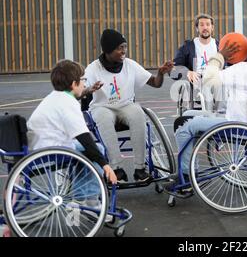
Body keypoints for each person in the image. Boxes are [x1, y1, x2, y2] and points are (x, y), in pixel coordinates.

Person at [171, 30, 247, 184]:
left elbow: (208, 80)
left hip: (235, 125)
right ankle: (191, 168)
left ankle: (187, 176)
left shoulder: (241, 69)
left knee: (183, 125)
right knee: (189, 113)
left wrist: (220, 55)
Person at [84, 28, 173, 183]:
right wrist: (89, 89)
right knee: (103, 118)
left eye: (125, 46)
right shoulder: (93, 68)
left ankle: (140, 168)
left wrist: (160, 73)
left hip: (126, 105)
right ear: (108, 50)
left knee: (138, 113)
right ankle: (117, 168)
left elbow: (156, 83)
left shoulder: (129, 65)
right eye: (120, 48)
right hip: (102, 107)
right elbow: (80, 90)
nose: (124, 51)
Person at [27, 59, 118, 192]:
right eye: (83, 80)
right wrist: (105, 165)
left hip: (38, 145)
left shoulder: (55, 97)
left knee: (87, 151)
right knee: (96, 149)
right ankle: (87, 199)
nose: (84, 84)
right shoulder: (69, 103)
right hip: (51, 150)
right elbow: (84, 137)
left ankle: (84, 193)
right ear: (74, 84)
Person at [173, 13, 219, 83]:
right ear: (197, 28)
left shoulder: (220, 47)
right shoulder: (187, 47)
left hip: (216, 86)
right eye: (201, 25)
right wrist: (187, 72)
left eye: (208, 24)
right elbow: (174, 69)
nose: (205, 28)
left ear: (212, 27)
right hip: (196, 88)